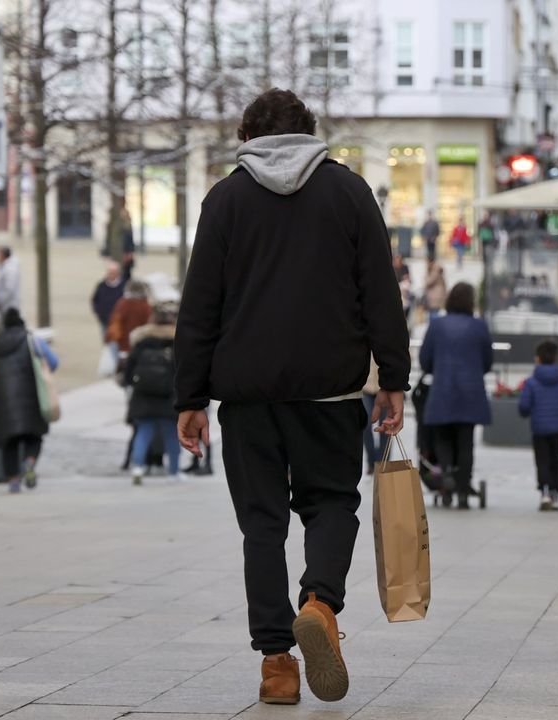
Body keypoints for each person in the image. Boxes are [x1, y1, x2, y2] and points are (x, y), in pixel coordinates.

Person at [173, 88, 410, 705]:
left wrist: (189, 396)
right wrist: (394, 378)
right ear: (311, 133)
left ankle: (277, 664)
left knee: (262, 527)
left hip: (247, 394)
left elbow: (201, 305)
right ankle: (321, 606)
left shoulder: (224, 200)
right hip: (330, 388)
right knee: (332, 503)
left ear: (248, 138)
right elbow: (380, 291)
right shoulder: (350, 192)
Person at [418, 282, 493, 509]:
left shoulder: (437, 326)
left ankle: (447, 478)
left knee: (442, 438)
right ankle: (463, 488)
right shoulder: (479, 327)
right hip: (470, 394)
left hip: (443, 391)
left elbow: (424, 360)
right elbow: (487, 362)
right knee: (465, 441)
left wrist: (438, 369)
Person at [0, 308, 58, 494]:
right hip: (31, 397)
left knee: (9, 442)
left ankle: (14, 481)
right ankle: (29, 463)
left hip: (3, 401)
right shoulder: (33, 341)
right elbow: (53, 362)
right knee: (34, 436)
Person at [518, 339, 558, 511]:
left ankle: (544, 491)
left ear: (537, 359)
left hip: (539, 429)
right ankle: (555, 494)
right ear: (556, 359)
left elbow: (524, 407)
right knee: (556, 460)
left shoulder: (531, 382)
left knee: (542, 461)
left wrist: (526, 410)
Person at [124, 301, 181, 485]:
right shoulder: (178, 341)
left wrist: (129, 383)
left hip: (144, 395)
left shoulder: (142, 341)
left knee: (143, 433)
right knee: (172, 435)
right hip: (169, 395)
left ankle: (138, 466)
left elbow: (129, 369)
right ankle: (174, 470)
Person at [106, 280, 153, 356]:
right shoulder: (146, 306)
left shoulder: (123, 304)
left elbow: (115, 322)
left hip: (123, 343)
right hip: (142, 343)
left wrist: (110, 337)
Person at [361, 358, 390, 475]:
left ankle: (383, 462)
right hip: (364, 386)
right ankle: (371, 461)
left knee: (385, 425)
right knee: (366, 424)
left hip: (384, 386)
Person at [91, 260, 126, 339]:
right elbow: (95, 300)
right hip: (104, 320)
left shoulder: (124, 286)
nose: (111, 274)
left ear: (118, 273)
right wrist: (98, 312)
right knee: (106, 341)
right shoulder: (102, 285)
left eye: (113, 272)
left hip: (119, 322)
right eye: (109, 272)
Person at [0, 245, 22, 313]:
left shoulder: (10, 270)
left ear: (3, 255)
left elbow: (9, 290)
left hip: (9, 307)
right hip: (5, 306)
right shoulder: (5, 267)